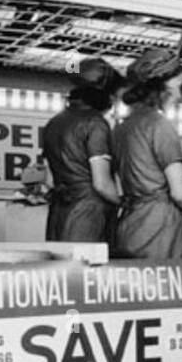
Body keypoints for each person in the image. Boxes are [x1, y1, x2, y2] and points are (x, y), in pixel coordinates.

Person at [112, 47, 182, 260]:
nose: (180, 94)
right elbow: (179, 193)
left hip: (129, 224)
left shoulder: (122, 128)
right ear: (164, 88)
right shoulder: (161, 126)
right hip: (160, 227)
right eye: (178, 86)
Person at [41, 57, 123, 243]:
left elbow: (49, 179)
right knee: (88, 269)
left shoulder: (54, 123)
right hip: (88, 214)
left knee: (62, 268)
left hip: (59, 213)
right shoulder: (95, 124)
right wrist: (125, 204)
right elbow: (101, 184)